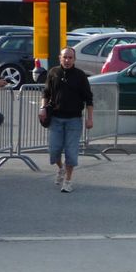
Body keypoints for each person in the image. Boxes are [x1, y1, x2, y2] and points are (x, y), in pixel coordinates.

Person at [39, 47, 93, 193]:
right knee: (54, 150)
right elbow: (46, 92)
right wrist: (42, 108)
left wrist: (90, 118)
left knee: (71, 152)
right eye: (65, 57)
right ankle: (61, 168)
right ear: (60, 58)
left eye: (70, 58)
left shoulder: (80, 75)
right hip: (56, 118)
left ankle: (68, 181)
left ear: (74, 59)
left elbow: (89, 98)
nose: (67, 60)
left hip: (74, 120)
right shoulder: (53, 73)